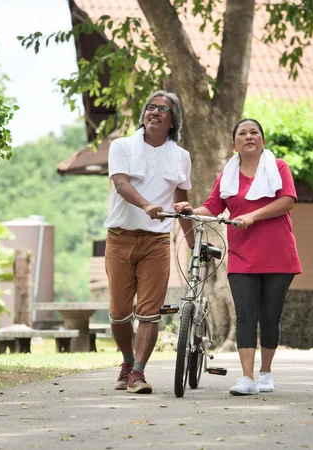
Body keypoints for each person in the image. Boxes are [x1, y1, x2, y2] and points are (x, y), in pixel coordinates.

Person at [174, 118, 302, 395]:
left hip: (279, 256)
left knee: (269, 317)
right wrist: (189, 209)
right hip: (243, 256)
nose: (249, 136)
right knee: (245, 315)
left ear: (263, 141)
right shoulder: (228, 174)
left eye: (255, 132)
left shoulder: (278, 167)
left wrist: (252, 216)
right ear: (234, 144)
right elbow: (212, 206)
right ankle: (247, 378)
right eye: (242, 133)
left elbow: (287, 200)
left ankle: (266, 373)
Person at [104, 90, 195, 394]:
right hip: (120, 238)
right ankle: (127, 361)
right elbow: (120, 184)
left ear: (173, 121)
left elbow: (181, 202)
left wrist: (192, 241)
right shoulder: (121, 146)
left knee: (149, 311)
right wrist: (145, 205)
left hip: (157, 243)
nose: (155, 112)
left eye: (163, 109)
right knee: (118, 312)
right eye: (151, 107)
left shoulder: (181, 156)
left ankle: (138, 374)